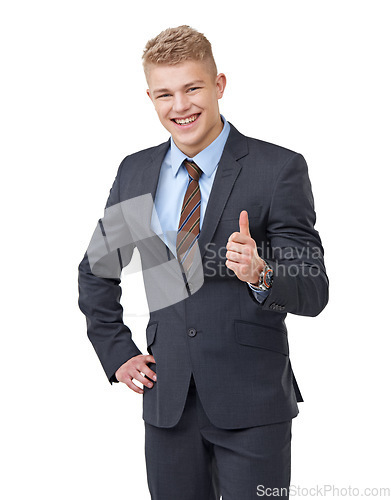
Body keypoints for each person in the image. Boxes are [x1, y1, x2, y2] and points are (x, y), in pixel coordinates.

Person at [78, 25, 329, 500]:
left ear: (219, 86)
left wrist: (262, 272)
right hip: (167, 401)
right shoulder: (137, 171)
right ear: (150, 97)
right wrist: (118, 353)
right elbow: (97, 269)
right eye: (164, 94)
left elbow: (314, 290)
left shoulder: (277, 169)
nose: (180, 106)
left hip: (253, 405)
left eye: (192, 88)